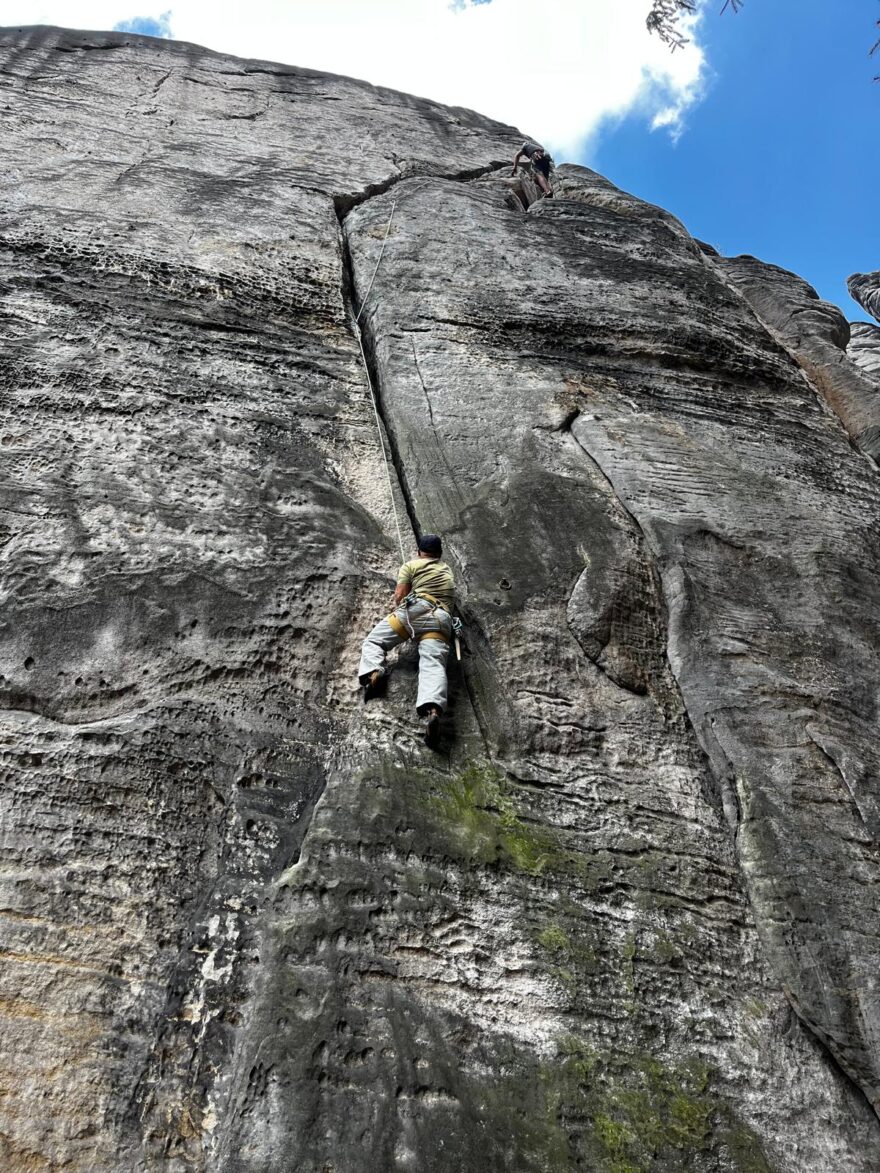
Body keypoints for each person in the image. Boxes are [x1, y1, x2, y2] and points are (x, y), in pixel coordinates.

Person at [358, 534, 455, 746]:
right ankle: (432, 710)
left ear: (420, 551)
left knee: (374, 642)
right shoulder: (447, 571)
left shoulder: (411, 565)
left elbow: (400, 596)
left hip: (413, 612)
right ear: (439, 554)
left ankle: (374, 672)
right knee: (433, 665)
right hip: (440, 620)